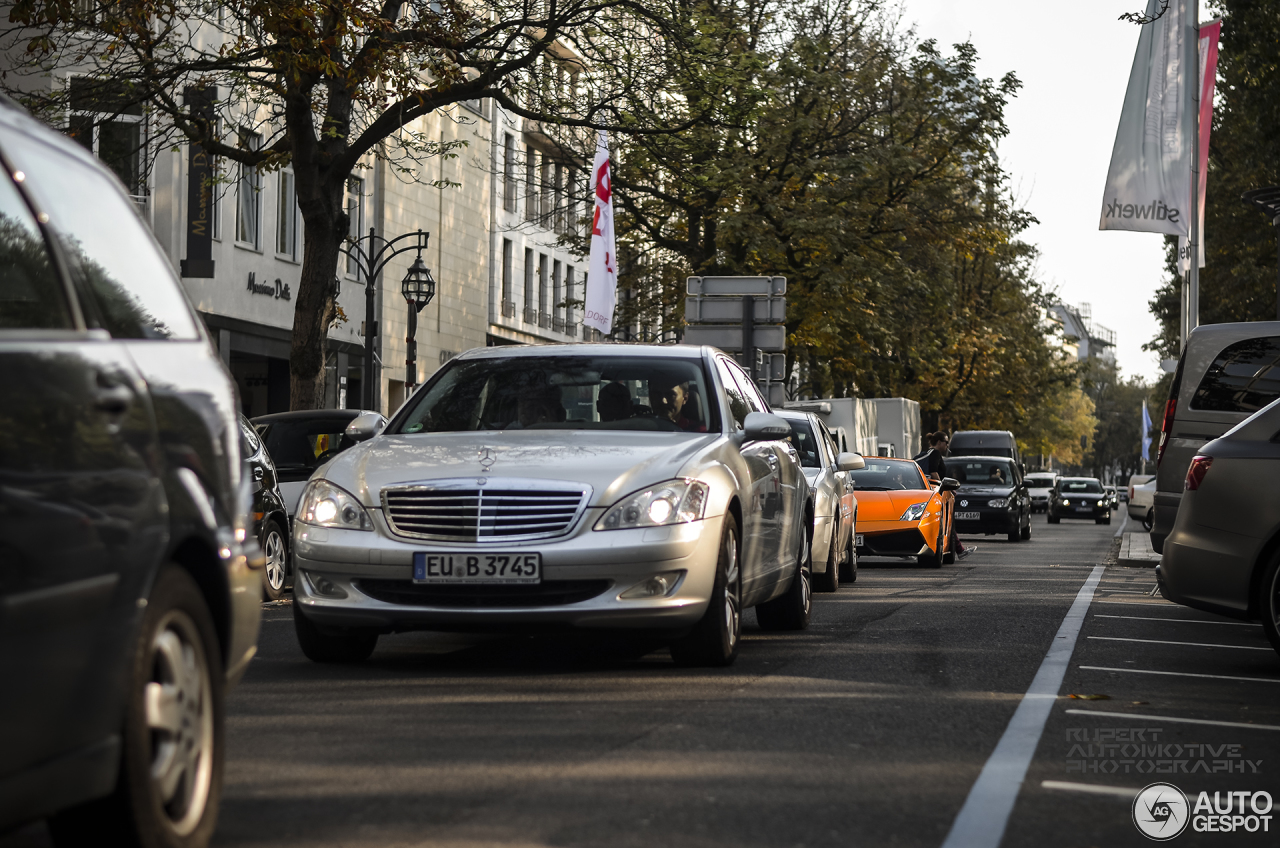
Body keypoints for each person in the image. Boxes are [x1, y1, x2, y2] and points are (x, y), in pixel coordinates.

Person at [914, 432, 973, 561]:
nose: (947, 446)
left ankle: (959, 549)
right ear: (939, 442)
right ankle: (959, 550)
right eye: (946, 442)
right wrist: (944, 487)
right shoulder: (934, 454)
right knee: (947, 521)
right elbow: (934, 472)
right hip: (934, 493)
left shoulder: (922, 455)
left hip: (921, 492)